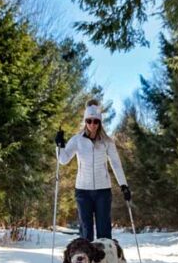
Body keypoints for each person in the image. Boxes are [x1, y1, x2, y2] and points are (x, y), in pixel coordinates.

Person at [55, 99, 131, 241]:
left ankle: (105, 261)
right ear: (85, 121)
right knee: (86, 231)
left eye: (96, 121)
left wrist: (124, 185)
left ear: (100, 122)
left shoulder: (107, 142)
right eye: (89, 121)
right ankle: (86, 262)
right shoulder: (77, 140)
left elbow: (115, 164)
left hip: (103, 191)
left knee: (104, 231)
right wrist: (59, 145)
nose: (92, 125)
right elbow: (63, 160)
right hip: (83, 191)